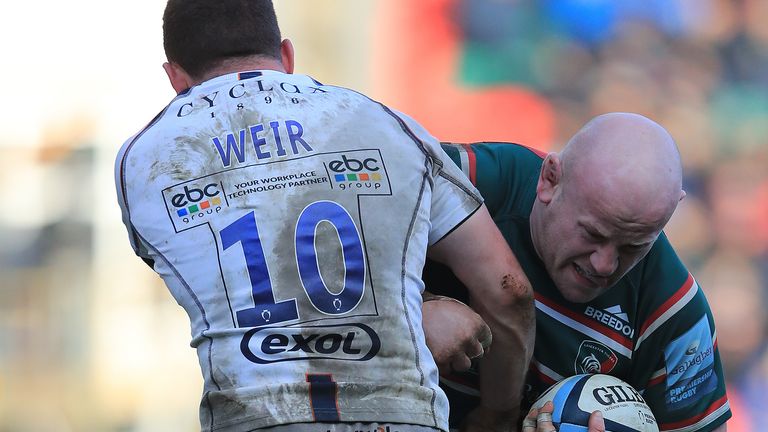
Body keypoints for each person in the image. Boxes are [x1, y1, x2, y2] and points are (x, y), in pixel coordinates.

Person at [114, 1, 535, 431]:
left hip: (257, 419)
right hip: (399, 415)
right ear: (287, 55)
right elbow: (508, 289)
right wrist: (497, 414)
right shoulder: (384, 123)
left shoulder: (139, 160)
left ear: (175, 78)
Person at [422, 113, 732, 431]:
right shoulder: (476, 179)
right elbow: (370, 194)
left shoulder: (676, 317)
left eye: (632, 247)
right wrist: (417, 303)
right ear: (550, 180)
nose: (604, 265)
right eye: (592, 234)